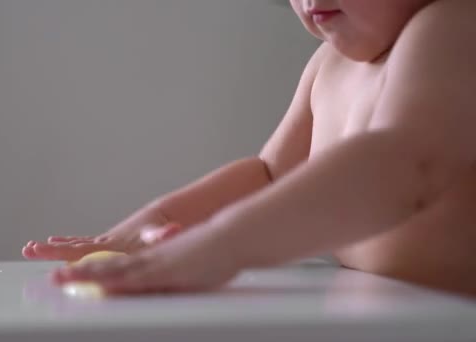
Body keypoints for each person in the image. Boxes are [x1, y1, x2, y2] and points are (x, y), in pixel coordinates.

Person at [23, 0, 476, 296]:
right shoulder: (328, 64)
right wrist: (148, 229)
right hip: (387, 315)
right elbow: (269, 176)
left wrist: (222, 246)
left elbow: (397, 166)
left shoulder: (455, 26)